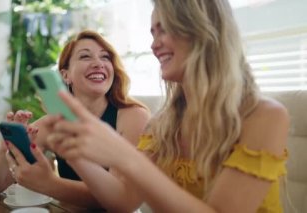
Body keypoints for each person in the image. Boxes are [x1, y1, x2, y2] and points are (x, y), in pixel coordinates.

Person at [43, 0, 290, 212]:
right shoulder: (163, 123)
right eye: (152, 33)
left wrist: (122, 154)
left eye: (164, 30)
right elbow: (123, 201)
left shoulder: (263, 116)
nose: (153, 45)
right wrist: (73, 154)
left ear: (202, 30)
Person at [0, 30, 150, 209]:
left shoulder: (133, 116)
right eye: (85, 57)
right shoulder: (53, 123)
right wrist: (7, 147)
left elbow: (120, 199)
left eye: (105, 57)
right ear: (66, 75)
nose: (98, 63)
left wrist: (48, 183)